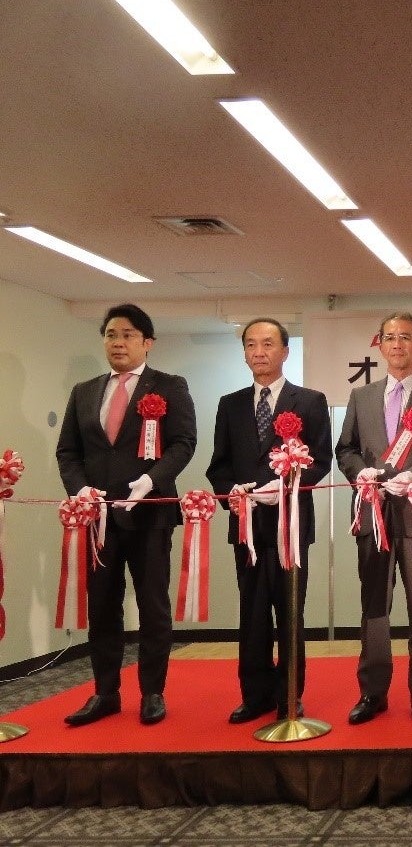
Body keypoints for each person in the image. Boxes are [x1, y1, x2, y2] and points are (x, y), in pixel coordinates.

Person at [55, 303, 197, 726]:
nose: (118, 343)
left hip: (149, 513)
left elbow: (183, 443)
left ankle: (152, 692)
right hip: (98, 517)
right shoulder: (84, 391)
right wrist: (80, 491)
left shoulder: (169, 386)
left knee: (153, 605)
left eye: (128, 335)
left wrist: (150, 481)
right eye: (111, 335)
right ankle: (105, 692)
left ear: (147, 342)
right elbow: (68, 451)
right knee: (102, 606)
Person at [335, 312, 412, 725]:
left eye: (405, 337)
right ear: (380, 345)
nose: (396, 344)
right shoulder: (361, 396)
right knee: (374, 604)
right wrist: (360, 474)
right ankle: (373, 692)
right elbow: (345, 449)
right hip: (372, 513)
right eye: (389, 337)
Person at [206, 318, 332, 723]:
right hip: (246, 525)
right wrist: (233, 493)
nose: (258, 352)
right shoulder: (230, 404)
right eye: (250, 344)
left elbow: (321, 461)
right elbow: (218, 466)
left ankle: (289, 694)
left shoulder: (309, 401)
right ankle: (255, 694)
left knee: (290, 612)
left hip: (290, 527)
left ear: (285, 351)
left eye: (267, 344)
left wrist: (288, 485)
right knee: (252, 612)